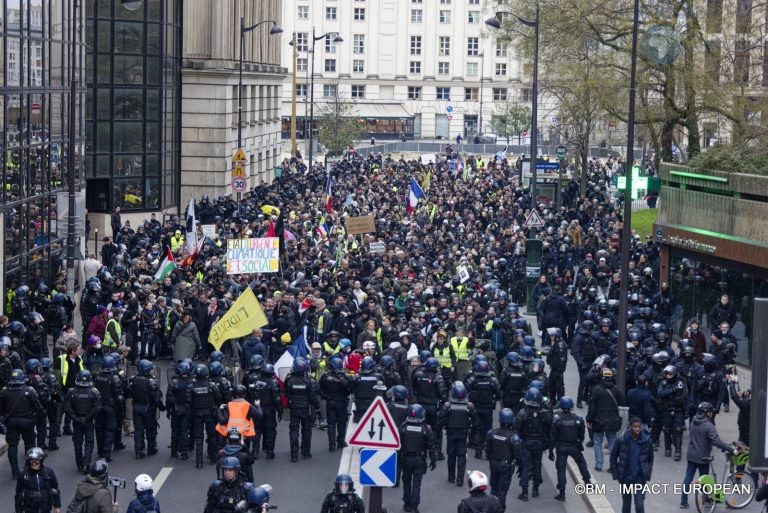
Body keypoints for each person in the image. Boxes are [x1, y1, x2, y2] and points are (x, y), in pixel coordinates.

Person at [679, 402, 736, 509]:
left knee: (688, 478)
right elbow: (716, 441)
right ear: (707, 413)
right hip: (703, 457)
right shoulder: (709, 426)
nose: (711, 414)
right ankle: (706, 500)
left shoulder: (693, 422)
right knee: (704, 479)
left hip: (691, 455)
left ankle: (683, 501)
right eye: (710, 412)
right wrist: (730, 449)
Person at [1, 368, 45, 479]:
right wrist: (41, 419)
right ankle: (29, 468)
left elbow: (1, 408)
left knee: (12, 445)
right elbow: (37, 407)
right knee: (30, 445)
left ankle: (15, 472)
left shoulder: (5, 391)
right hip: (27, 422)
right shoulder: (29, 390)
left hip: (11, 422)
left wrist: (4, 418)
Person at [551, 396, 591, 502]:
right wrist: (579, 442)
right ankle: (587, 481)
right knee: (581, 463)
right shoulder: (578, 418)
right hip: (574, 446)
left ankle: (562, 493)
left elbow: (553, 434)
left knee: (561, 469)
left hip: (561, 447)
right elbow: (582, 433)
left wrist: (552, 447)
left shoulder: (556, 418)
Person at [610, 417, 654, 513]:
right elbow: (613, 457)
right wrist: (616, 473)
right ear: (630, 427)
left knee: (639, 505)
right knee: (626, 505)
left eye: (639, 427)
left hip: (640, 479)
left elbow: (650, 459)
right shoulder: (621, 440)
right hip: (626, 478)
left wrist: (647, 472)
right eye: (635, 427)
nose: (637, 429)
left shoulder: (647, 441)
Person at [399, 404, 437, 513]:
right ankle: (415, 506)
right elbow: (431, 446)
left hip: (406, 459)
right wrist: (433, 461)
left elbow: (398, 445)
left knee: (406, 481)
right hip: (419, 459)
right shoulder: (425, 429)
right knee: (416, 483)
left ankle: (407, 504)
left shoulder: (403, 428)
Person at [515, 388, 551, 501]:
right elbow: (549, 428)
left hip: (526, 442)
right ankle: (535, 489)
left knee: (526, 466)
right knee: (537, 465)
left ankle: (525, 491)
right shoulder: (544, 414)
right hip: (539, 443)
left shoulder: (522, 413)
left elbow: (517, 429)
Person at [438, 381, 476, 487]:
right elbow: (475, 420)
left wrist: (439, 430)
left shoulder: (448, 405)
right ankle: (459, 479)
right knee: (461, 456)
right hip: (463, 434)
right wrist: (472, 429)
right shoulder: (469, 406)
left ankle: (451, 477)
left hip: (451, 433)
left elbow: (441, 419)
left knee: (451, 455)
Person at [587, 368, 624, 472]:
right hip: (613, 420)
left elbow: (592, 407)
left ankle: (599, 465)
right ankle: (613, 465)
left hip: (598, 420)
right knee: (612, 442)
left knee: (598, 442)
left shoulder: (596, 390)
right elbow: (622, 401)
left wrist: (589, 419)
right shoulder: (616, 389)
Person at [64, 370, 101, 473]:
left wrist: (76, 418)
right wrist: (87, 417)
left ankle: (80, 464)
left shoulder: (72, 392)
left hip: (77, 422)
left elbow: (67, 408)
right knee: (89, 443)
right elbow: (97, 408)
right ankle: (86, 463)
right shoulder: (94, 392)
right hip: (88, 422)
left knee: (77, 443)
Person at [284, 357, 320, 462]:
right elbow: (313, 395)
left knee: (294, 431)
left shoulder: (289, 379)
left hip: (294, 409)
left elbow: (286, 392)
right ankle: (306, 452)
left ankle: (294, 455)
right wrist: (317, 408)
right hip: (306, 409)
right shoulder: (308, 380)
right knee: (307, 430)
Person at [485, 408, 521, 511]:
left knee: (493, 489)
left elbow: (488, 450)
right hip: (506, 466)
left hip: (494, 464)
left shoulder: (491, 433)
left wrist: (491, 460)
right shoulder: (513, 437)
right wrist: (520, 466)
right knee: (502, 492)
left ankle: (491, 509)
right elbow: (517, 455)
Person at [128, 359, 165, 459]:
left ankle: (138, 451)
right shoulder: (151, 382)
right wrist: (162, 408)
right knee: (150, 429)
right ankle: (151, 449)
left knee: (138, 430)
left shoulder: (133, 380)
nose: (152, 371)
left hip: (136, 407)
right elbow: (156, 398)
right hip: (148, 408)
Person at [93, 356, 124, 463]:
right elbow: (119, 397)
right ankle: (106, 453)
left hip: (98, 407)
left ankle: (100, 451)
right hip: (110, 407)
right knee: (109, 430)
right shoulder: (114, 378)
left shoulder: (97, 376)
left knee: (99, 429)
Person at [319, 357, 351, 453]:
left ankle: (331, 445)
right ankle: (340, 441)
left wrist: (324, 396)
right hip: (341, 403)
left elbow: (318, 387)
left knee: (331, 424)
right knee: (341, 423)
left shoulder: (325, 376)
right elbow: (350, 388)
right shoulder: (344, 376)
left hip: (330, 402)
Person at [14, 447, 61, 513]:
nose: (34, 463)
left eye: (37, 461)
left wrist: (57, 506)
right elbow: (18, 494)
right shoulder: (22, 475)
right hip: (29, 510)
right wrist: (18, 510)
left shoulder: (49, 472)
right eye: (31, 461)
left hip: (45, 509)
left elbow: (55, 489)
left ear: (41, 461)